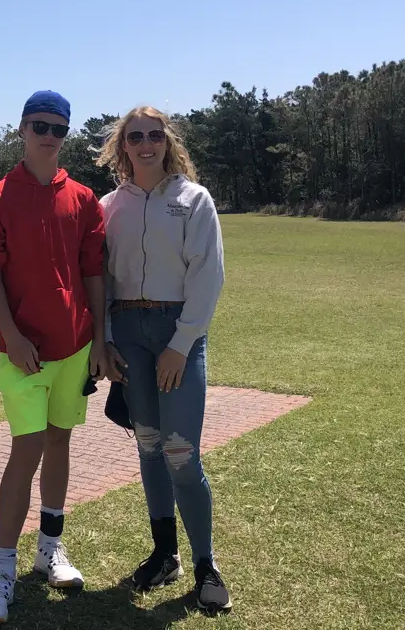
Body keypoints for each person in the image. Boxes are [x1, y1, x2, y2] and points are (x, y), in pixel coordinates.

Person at [0, 91, 107, 623]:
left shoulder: (84, 197)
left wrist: (99, 337)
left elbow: (93, 269)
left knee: (59, 442)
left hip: (75, 345)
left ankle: (50, 550)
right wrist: (11, 333)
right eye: (39, 126)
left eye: (57, 128)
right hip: (23, 351)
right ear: (22, 129)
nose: (48, 135)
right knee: (24, 452)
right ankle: (1, 571)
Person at [98, 105, 231, 614]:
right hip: (128, 334)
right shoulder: (110, 204)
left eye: (155, 135)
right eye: (136, 137)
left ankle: (205, 565)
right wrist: (107, 340)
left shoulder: (193, 199)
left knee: (180, 453)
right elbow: (103, 279)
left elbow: (208, 275)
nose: (146, 144)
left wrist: (180, 344)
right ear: (123, 145)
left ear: (167, 141)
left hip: (178, 334)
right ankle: (164, 553)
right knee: (149, 447)